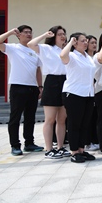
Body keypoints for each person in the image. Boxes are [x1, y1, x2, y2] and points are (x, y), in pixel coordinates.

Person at [0, 25, 44, 156]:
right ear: (19, 35)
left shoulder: (34, 51)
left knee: (30, 118)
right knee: (15, 118)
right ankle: (15, 145)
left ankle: (29, 143)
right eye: (25, 32)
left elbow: (38, 70)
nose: (29, 34)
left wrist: (40, 87)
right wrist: (9, 32)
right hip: (18, 87)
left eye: (30, 32)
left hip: (32, 88)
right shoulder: (13, 48)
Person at [28, 26, 70, 159]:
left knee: (62, 119)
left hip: (65, 82)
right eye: (59, 34)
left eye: (64, 34)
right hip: (52, 82)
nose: (63, 36)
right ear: (53, 36)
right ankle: (49, 149)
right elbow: (31, 44)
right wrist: (44, 34)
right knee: (50, 119)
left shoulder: (66, 51)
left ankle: (60, 146)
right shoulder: (46, 49)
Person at [60, 33, 96, 163]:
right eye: (82, 41)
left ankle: (81, 149)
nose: (86, 43)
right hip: (74, 93)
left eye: (86, 41)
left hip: (88, 93)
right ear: (75, 43)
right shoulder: (72, 56)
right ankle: (74, 151)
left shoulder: (88, 57)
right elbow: (62, 56)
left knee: (85, 123)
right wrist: (70, 43)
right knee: (74, 123)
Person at [84, 35, 99, 152]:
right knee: (87, 119)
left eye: (95, 42)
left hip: (96, 90)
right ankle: (86, 142)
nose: (94, 45)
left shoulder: (97, 57)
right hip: (86, 90)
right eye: (92, 43)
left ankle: (94, 140)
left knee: (94, 117)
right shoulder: (83, 57)